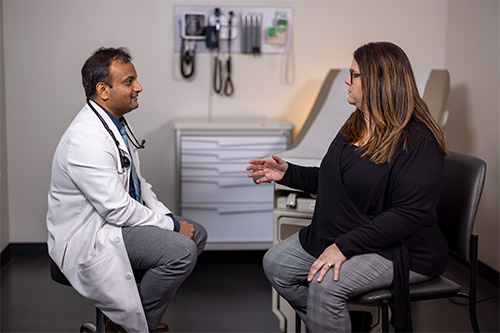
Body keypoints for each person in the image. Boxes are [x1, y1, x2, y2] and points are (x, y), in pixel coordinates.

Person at [247, 41, 449, 332]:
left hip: (403, 248)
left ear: (377, 82)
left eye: (353, 74)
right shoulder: (355, 125)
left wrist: (343, 246)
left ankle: (329, 318)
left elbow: (409, 214)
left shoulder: (419, 142)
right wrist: (288, 173)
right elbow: (336, 182)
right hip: (354, 233)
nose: (347, 80)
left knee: (325, 284)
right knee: (277, 264)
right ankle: (337, 323)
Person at [47, 47, 207, 333]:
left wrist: (170, 220)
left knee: (196, 234)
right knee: (181, 250)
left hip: (115, 224)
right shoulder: (86, 138)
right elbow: (116, 208)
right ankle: (128, 326)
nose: (139, 87)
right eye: (129, 81)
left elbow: (138, 185)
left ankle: (133, 319)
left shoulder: (115, 126)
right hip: (90, 235)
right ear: (103, 90)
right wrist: (171, 227)